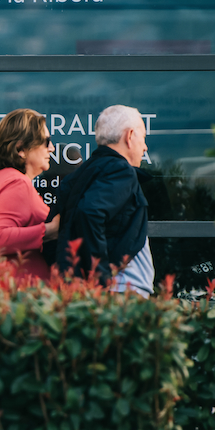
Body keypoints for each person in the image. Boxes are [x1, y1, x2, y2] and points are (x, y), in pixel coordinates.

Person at [53, 104, 154, 296]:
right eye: (143, 137)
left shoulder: (79, 175)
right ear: (129, 136)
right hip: (122, 291)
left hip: (88, 289)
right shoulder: (121, 170)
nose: (145, 147)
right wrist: (100, 277)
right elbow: (89, 213)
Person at [0, 108, 60, 280]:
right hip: (17, 291)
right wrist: (50, 230)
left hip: (3, 288)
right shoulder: (16, 183)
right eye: (46, 142)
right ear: (21, 148)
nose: (51, 148)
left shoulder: (0, 178)